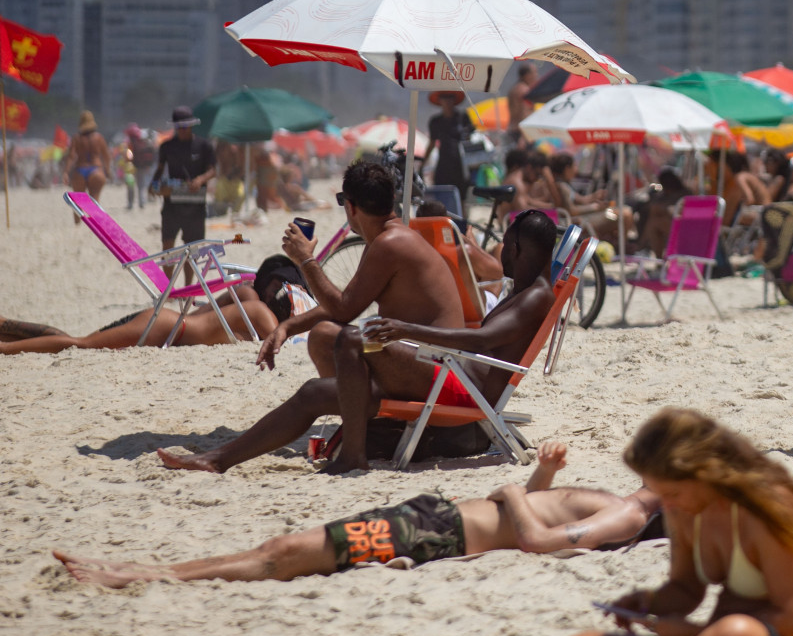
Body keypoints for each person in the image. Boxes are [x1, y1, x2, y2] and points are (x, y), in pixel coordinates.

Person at [156, 161, 493, 475]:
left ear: (351, 207)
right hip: (425, 365)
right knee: (320, 350)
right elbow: (346, 304)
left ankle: (353, 453)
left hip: (442, 376)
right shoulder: (389, 240)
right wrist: (288, 326)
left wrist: (306, 261)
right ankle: (219, 459)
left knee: (339, 344)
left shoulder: (391, 244)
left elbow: (344, 309)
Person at [544, 409, 793, 636]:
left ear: (706, 474)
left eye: (672, 494)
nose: (665, 506)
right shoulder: (685, 508)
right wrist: (649, 603)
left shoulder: (767, 507)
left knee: (736, 634)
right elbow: (687, 589)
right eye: (659, 494)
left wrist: (696, 634)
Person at [57, 439, 663, 588]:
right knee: (287, 547)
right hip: (432, 519)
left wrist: (511, 492)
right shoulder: (619, 502)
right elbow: (544, 521)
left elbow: (536, 541)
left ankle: (139, 575)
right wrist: (542, 479)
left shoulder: (627, 517)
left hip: (436, 535)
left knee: (285, 554)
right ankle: (146, 571)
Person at [2, 257, 303, 355]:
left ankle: (6, 327)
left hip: (168, 323)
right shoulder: (261, 313)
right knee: (80, 344)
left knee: (82, 341)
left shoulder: (247, 299)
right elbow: (281, 342)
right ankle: (4, 348)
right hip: (167, 329)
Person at [151, 106, 216, 250]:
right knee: (167, 246)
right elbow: (159, 169)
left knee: (192, 248)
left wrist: (200, 180)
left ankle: (187, 267)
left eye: (185, 126)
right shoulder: (167, 146)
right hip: (172, 202)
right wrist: (154, 186)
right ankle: (168, 268)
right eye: (179, 127)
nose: (182, 130)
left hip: (195, 202)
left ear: (191, 125)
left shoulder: (204, 146)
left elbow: (212, 170)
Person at [424, 90, 476, 205]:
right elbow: (432, 143)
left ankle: (462, 217)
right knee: (441, 198)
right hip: (443, 165)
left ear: (454, 100)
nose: (447, 101)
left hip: (461, 166)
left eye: (450, 97)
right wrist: (423, 162)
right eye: (444, 98)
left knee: (461, 200)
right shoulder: (436, 121)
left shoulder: (463, 118)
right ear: (440, 101)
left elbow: (471, 138)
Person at [67, 110, 109, 197]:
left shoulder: (76, 138)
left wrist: (66, 172)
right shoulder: (99, 138)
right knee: (94, 201)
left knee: (79, 202)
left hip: (80, 170)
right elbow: (106, 156)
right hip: (96, 170)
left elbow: (71, 156)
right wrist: (107, 170)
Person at [507, 64, 538, 148]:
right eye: (534, 73)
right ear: (527, 75)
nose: (536, 76)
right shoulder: (525, 91)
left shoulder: (514, 89)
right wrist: (523, 137)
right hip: (522, 132)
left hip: (513, 128)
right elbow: (526, 113)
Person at [127, 124, 155, 209]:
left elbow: (129, 157)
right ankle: (141, 203)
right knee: (141, 186)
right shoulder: (144, 143)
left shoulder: (131, 144)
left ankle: (130, 204)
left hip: (131, 168)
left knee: (131, 186)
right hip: (142, 167)